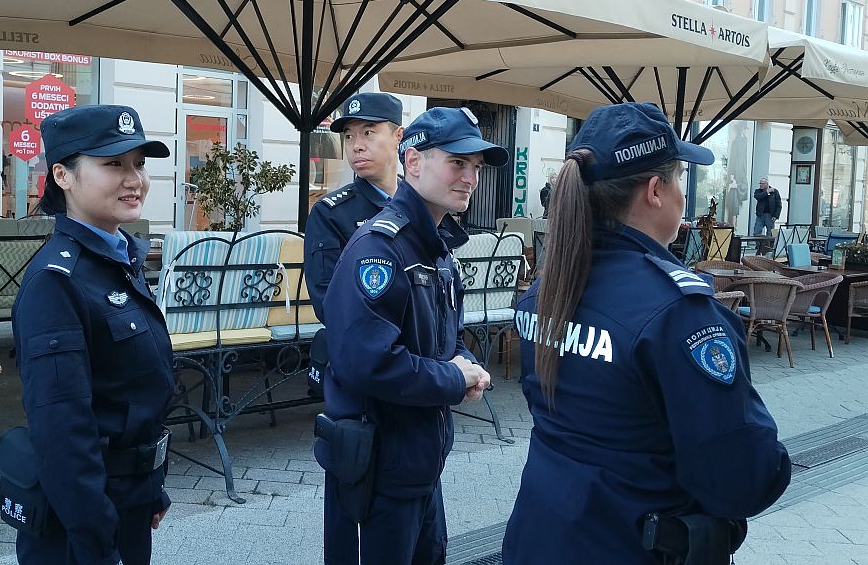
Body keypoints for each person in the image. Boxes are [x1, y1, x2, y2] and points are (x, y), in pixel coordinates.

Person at [504, 103, 791, 565]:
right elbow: (742, 476)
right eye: (679, 180)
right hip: (630, 544)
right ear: (655, 191)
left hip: (541, 535)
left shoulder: (547, 288)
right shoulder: (679, 311)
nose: (684, 197)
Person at [315, 107, 509, 564]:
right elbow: (369, 362)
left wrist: (468, 367)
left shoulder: (437, 247)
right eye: (458, 162)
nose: (470, 178)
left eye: (476, 167)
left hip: (420, 460)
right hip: (377, 468)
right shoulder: (380, 248)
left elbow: (445, 340)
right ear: (415, 161)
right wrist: (453, 379)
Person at [10, 105, 174, 565]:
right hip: (82, 525)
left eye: (139, 163)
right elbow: (62, 431)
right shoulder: (57, 281)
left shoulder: (118, 259)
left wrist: (151, 488)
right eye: (112, 164)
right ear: (62, 176)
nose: (133, 178)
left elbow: (134, 389)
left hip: (127, 500)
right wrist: (97, 540)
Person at [304, 92, 405, 321]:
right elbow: (328, 303)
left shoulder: (421, 206)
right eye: (349, 136)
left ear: (398, 136)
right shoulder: (330, 214)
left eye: (368, 133)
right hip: (369, 349)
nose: (356, 146)